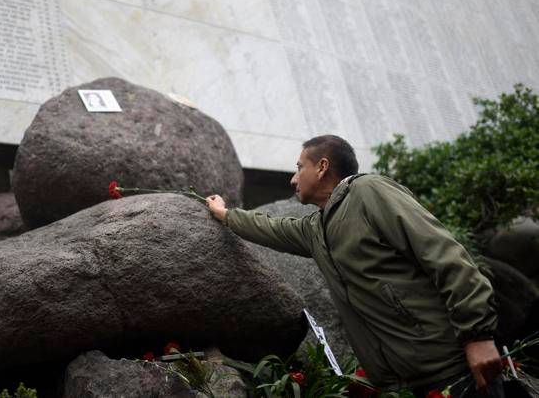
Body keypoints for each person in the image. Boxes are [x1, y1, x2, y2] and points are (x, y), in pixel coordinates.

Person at [206, 134, 504, 398]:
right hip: (415, 380)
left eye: (299, 167)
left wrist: (478, 336)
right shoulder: (316, 228)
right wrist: (225, 214)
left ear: (322, 167)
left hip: (456, 368)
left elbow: (444, 254)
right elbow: (269, 227)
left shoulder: (369, 191)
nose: (293, 179)